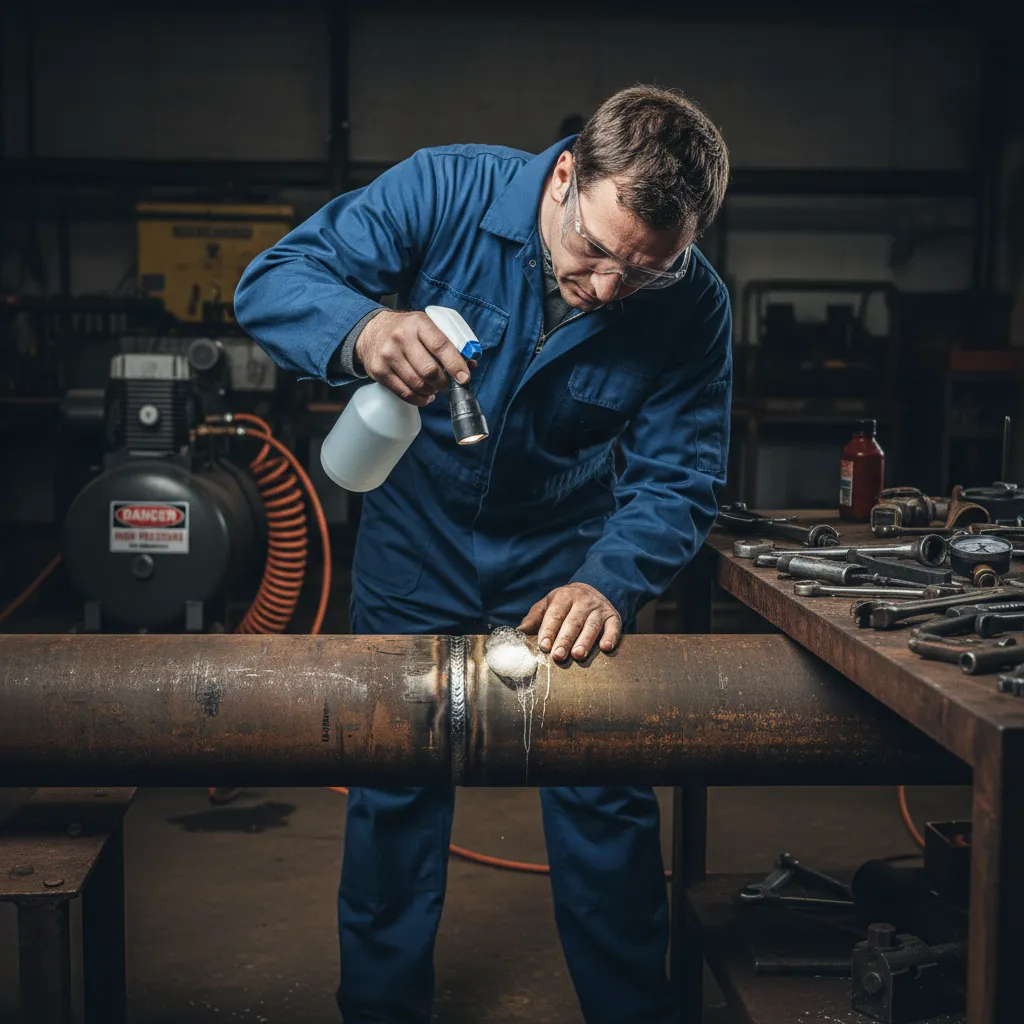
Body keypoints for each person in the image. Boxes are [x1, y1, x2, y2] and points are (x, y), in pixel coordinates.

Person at [235, 84, 732, 1024]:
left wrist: (608, 582)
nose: (608, 289)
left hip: (567, 562)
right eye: (596, 251)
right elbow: (273, 279)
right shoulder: (446, 191)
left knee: (602, 798)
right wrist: (364, 329)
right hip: (415, 543)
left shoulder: (693, 304)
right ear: (565, 176)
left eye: (646, 270)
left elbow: (681, 476)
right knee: (394, 791)